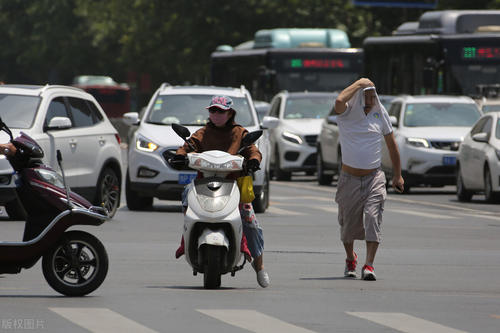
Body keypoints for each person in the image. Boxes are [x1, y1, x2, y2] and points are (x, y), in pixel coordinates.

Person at [172, 95, 270, 288]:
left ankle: (260, 268)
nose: (216, 114)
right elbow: (186, 147)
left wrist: (253, 161)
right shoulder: (202, 133)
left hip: (233, 185)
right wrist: (180, 157)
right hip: (203, 184)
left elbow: (252, 150)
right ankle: (187, 242)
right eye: (213, 111)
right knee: (186, 199)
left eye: (220, 111)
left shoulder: (240, 132)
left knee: (250, 222)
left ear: (229, 113)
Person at [334, 78, 404, 281]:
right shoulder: (347, 113)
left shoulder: (380, 114)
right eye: (366, 94)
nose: (370, 98)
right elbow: (339, 101)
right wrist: (359, 83)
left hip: (374, 177)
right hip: (349, 178)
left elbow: (392, 147)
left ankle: (369, 265)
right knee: (347, 224)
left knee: (373, 218)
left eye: (373, 94)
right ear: (358, 95)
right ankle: (350, 258)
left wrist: (397, 175)